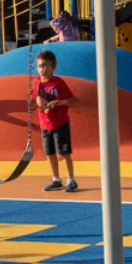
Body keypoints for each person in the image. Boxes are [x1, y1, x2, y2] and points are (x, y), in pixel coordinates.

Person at [31, 49, 80, 191]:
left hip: (60, 122)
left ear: (53, 67)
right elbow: (36, 98)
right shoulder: (36, 82)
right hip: (45, 124)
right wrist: (37, 101)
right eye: (40, 66)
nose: (42, 69)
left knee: (64, 152)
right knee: (50, 153)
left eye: (45, 65)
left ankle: (71, 179)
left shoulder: (58, 83)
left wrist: (57, 103)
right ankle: (56, 179)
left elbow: (74, 101)